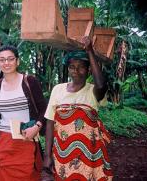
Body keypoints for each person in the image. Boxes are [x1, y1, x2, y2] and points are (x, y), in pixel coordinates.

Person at [42, 36, 113, 181]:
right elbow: (50, 122)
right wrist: (47, 155)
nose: (76, 71)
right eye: (72, 67)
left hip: (89, 154)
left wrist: (90, 51)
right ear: (68, 69)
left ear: (88, 70)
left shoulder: (93, 91)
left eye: (81, 67)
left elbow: (101, 85)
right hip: (63, 153)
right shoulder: (58, 89)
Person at [0, 45, 48, 181]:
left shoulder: (29, 81)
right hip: (3, 141)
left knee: (26, 174)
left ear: (17, 61)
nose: (6, 63)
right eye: (2, 60)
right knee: (2, 175)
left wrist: (37, 126)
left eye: (10, 59)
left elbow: (44, 109)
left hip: (26, 138)